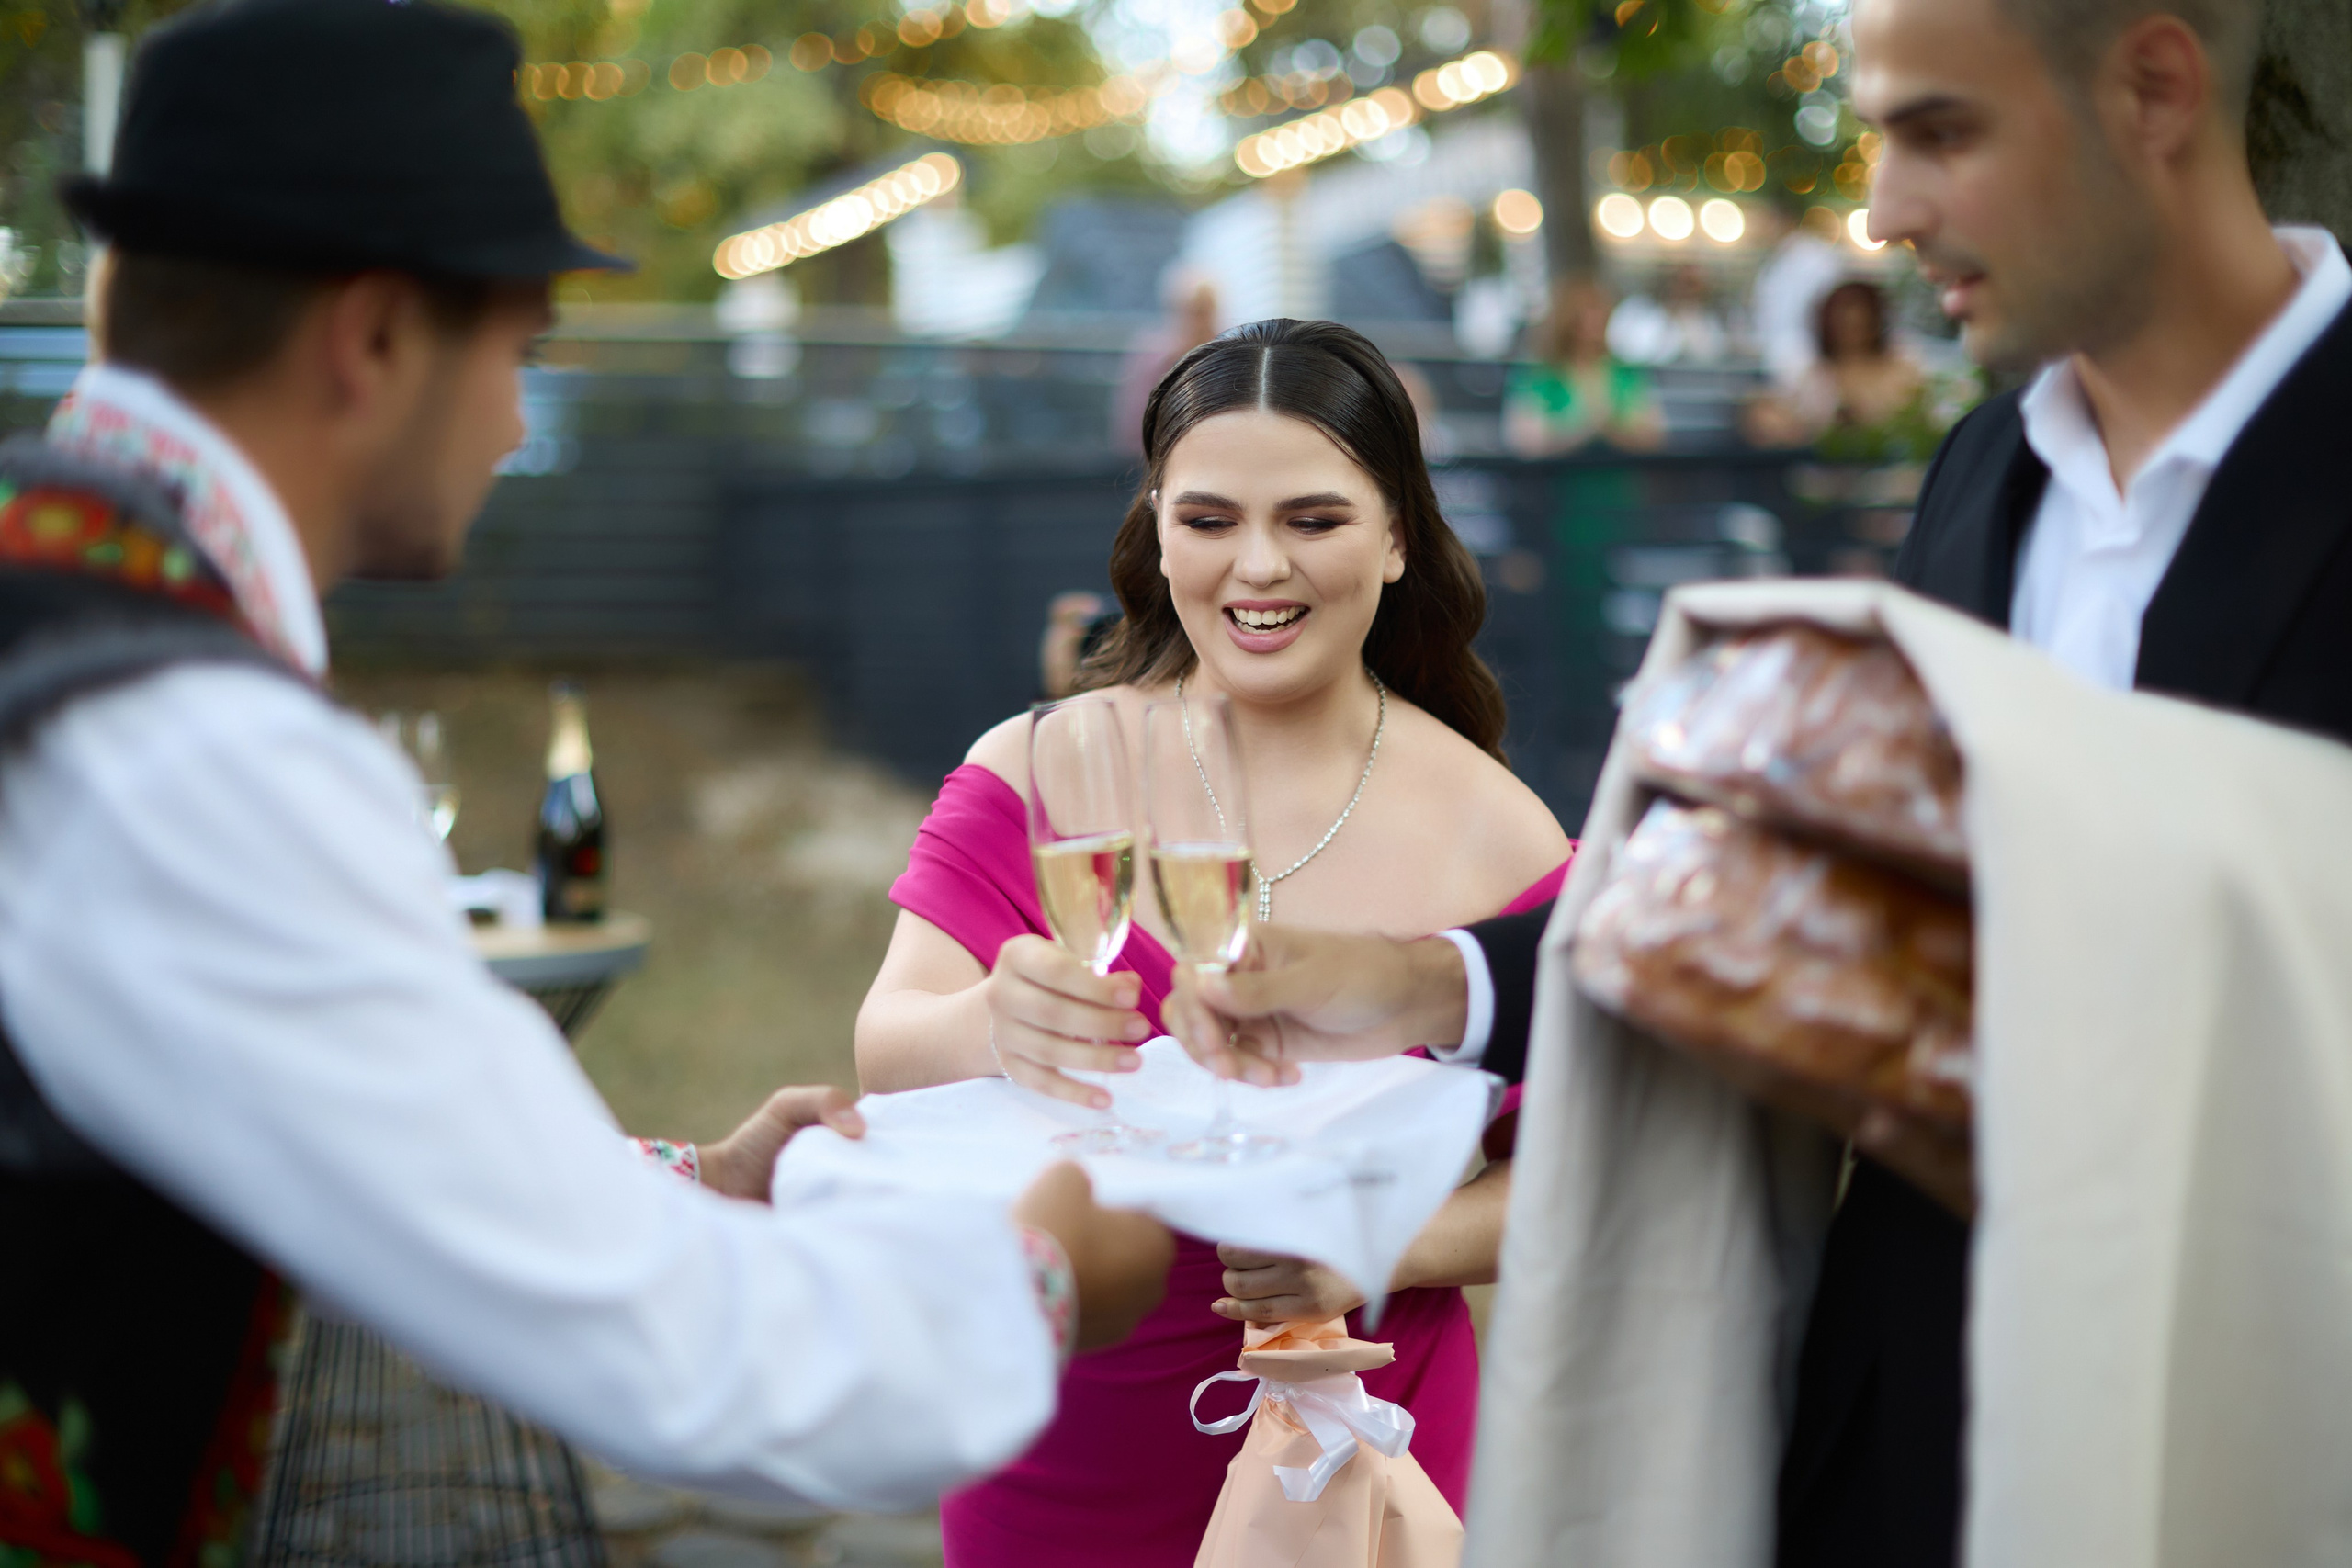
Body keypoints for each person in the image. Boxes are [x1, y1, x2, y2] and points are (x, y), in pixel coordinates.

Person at [1165, 0, 2352, 1562]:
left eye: (1942, 132)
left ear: (2153, 87)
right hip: (1914, 1429)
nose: (1883, 212)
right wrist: (1406, 976)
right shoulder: (1983, 473)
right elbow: (1827, 895)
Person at [0, 6, 1174, 1562]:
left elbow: (335, 1114)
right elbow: (696, 1371)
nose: (509, 424)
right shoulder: (198, 749)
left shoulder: (71, 620)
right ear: (372, 340)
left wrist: (690, 1183)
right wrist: (1048, 1264)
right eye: (520, 351)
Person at [854, 318, 1573, 1567]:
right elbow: (883, 1050)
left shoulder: (1505, 840)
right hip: (1057, 1440)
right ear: (1155, 529)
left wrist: (1375, 1243)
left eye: (1312, 518)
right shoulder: (1038, 766)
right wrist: (991, 1020)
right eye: (1208, 519)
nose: (1257, 567)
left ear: (1399, 535)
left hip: (1348, 1464)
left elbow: (1578, 1175)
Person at [1745, 278, 1928, 446]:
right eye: (1843, 321)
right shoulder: (1814, 373)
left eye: (1858, 323)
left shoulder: (1902, 369)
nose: (1850, 328)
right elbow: (1786, 419)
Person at [1503, 276, 1665, 457]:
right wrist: (1588, 432)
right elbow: (1526, 443)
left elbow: (1652, 437)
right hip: (1557, 480)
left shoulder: (1625, 374)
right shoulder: (1540, 377)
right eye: (1585, 317)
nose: (1593, 325)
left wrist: (1608, 432)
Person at [1749, 197, 1849, 388]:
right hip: (1780, 358)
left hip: (1807, 359)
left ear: (1786, 220)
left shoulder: (1816, 257)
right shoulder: (1777, 259)